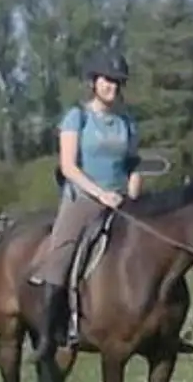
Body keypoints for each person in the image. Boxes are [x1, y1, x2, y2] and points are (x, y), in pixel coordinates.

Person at [27, 48, 141, 353]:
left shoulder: (127, 122)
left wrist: (133, 190)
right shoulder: (76, 118)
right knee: (62, 253)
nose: (112, 87)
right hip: (83, 199)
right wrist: (100, 193)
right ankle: (51, 332)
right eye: (107, 80)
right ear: (94, 81)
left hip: (120, 200)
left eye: (117, 82)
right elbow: (68, 166)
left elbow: (132, 164)